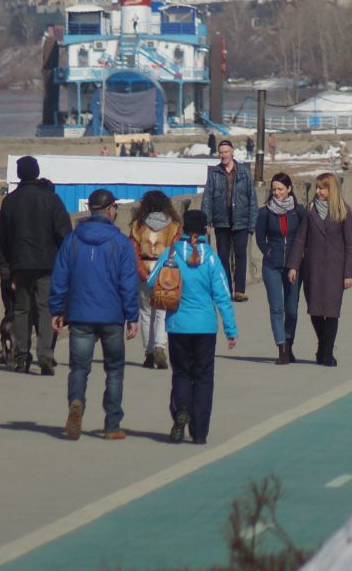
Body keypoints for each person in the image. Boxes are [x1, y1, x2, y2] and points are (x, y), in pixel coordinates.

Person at [48, 189, 140, 441]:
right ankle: (111, 425)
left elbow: (60, 277)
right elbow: (128, 282)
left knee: (79, 368)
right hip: (112, 315)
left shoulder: (73, 240)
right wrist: (132, 316)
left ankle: (76, 403)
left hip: (79, 314)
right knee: (114, 371)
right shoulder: (120, 242)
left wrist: (57, 309)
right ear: (110, 210)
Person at [145, 208, 238, 445]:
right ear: (207, 230)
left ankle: (182, 409)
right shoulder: (211, 258)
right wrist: (231, 330)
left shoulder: (171, 253)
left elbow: (151, 280)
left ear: (183, 229)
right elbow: (223, 295)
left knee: (181, 373)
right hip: (206, 327)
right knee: (204, 378)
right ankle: (199, 433)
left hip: (177, 326)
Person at [0, 156, 73, 375]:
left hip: (19, 267)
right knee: (45, 308)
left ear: (20, 174)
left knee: (21, 310)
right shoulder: (51, 199)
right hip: (47, 265)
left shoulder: (9, 201)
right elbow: (64, 233)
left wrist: (7, 270)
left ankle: (21, 356)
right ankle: (45, 355)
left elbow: (2, 239)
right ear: (37, 172)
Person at [287, 173, 352, 366]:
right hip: (313, 267)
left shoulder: (344, 211)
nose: (318, 192)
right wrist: (293, 266)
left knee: (332, 312)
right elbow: (301, 238)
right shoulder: (310, 211)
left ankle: (326, 353)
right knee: (316, 310)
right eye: (317, 188)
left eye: (322, 188)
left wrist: (349, 274)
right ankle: (323, 346)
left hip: (336, 269)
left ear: (331, 189)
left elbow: (350, 245)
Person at [254, 173, 306, 363]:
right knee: (277, 308)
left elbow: (304, 236)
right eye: (274, 189)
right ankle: (282, 347)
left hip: (293, 265)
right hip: (272, 266)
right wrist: (269, 252)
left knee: (291, 309)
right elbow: (260, 238)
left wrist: (298, 257)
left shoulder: (298, 211)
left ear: (289, 189)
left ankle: (290, 343)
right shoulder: (264, 212)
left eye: (280, 189)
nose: (277, 193)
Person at [128, 189, 180, 370]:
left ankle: (148, 352)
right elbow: (175, 250)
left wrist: (142, 272)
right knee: (162, 311)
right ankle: (159, 346)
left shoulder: (137, 225)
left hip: (144, 269)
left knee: (145, 312)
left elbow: (133, 251)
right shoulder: (173, 225)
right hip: (163, 271)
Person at [203, 142, 255, 302]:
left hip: (241, 221)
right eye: (221, 152)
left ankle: (239, 290)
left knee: (240, 256)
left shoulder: (244, 173)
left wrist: (252, 224)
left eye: (226, 152)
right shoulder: (214, 174)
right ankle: (226, 289)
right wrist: (207, 221)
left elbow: (252, 199)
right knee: (223, 257)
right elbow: (207, 199)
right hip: (221, 222)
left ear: (232, 152)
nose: (224, 155)